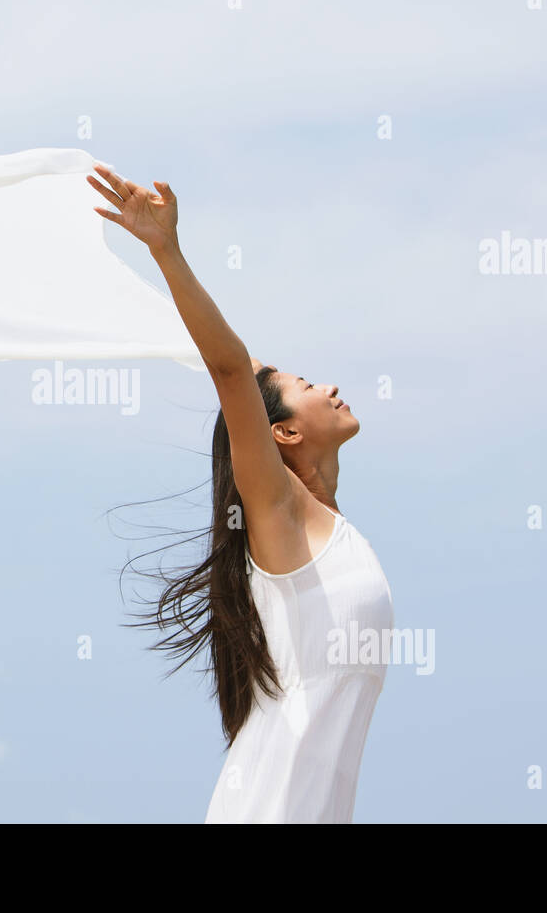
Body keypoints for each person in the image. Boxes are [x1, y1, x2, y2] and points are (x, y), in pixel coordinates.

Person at [88, 164, 394, 823]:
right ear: (280, 431)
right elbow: (232, 371)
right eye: (308, 383)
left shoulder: (330, 532)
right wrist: (165, 251)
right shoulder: (280, 514)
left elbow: (244, 367)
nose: (330, 386)